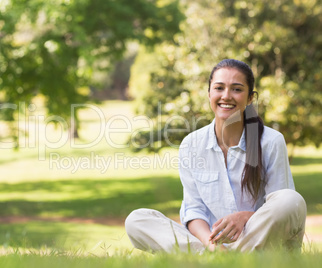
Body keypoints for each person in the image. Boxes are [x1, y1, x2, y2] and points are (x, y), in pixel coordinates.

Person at [125, 59, 307, 253]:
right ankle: (220, 258)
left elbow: (280, 208)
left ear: (250, 98)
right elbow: (194, 211)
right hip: (211, 244)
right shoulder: (191, 145)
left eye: (237, 89)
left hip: (259, 239)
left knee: (290, 200)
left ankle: (228, 258)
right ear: (209, 93)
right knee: (137, 220)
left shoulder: (270, 141)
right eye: (219, 88)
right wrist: (212, 246)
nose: (226, 96)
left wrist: (245, 217)